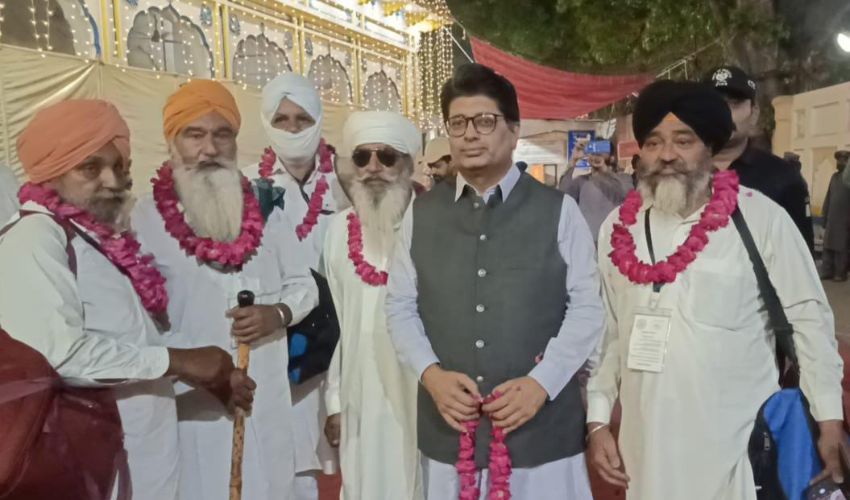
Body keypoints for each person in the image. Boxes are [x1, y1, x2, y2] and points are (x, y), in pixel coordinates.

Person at [586, 80, 845, 499]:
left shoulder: (761, 219)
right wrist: (598, 422)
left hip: (737, 451)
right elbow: (608, 335)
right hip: (646, 451)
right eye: (653, 143)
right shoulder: (618, 228)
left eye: (683, 140)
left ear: (709, 148)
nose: (666, 155)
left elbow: (808, 320)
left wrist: (829, 418)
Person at [0, 99, 253, 500]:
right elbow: (60, 354)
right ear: (51, 172)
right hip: (93, 464)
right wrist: (179, 361)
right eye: (90, 167)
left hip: (142, 454)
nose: (112, 180)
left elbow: (127, 339)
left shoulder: (94, 238)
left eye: (119, 166)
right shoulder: (35, 237)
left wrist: (202, 372)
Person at [386, 63, 604, 500]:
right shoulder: (421, 214)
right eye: (458, 123)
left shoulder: (558, 211)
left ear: (514, 129)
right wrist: (431, 375)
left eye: (485, 121)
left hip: (539, 431)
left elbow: (587, 307)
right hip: (451, 429)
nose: (470, 134)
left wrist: (543, 382)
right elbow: (399, 306)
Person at [132, 80, 319, 500]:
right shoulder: (145, 219)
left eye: (221, 134)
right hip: (193, 405)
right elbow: (139, 319)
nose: (209, 149)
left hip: (265, 394)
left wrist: (280, 314)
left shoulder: (266, 208)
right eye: (194, 134)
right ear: (171, 142)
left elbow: (304, 285)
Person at [241, 72, 339, 499]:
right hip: (281, 339)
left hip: (343, 342)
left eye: (303, 118)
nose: (293, 128)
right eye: (281, 119)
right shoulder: (247, 186)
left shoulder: (347, 184)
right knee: (286, 457)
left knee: (344, 451)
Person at [322, 110, 423, 500]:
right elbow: (336, 326)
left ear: (409, 165)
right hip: (359, 392)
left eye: (387, 157)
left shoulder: (433, 224)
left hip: (421, 390)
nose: (374, 167)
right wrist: (334, 400)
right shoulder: (336, 232)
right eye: (362, 157)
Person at [705, 65, 815, 252]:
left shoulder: (783, 178)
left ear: (754, 113)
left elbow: (800, 260)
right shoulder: (679, 174)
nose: (724, 113)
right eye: (714, 103)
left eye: (734, 104)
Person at [562, 140, 634, 244]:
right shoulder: (581, 181)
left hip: (616, 245)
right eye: (594, 152)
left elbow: (625, 194)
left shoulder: (624, 179)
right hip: (588, 245)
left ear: (612, 158)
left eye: (600, 153)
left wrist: (604, 170)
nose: (596, 156)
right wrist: (573, 160)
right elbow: (563, 195)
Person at [820, 150, 850, 281]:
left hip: (845, 220)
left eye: (843, 160)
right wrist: (824, 216)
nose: (840, 162)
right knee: (828, 246)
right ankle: (827, 271)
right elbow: (828, 197)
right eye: (838, 160)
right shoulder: (834, 177)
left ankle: (840, 273)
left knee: (841, 247)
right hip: (831, 218)